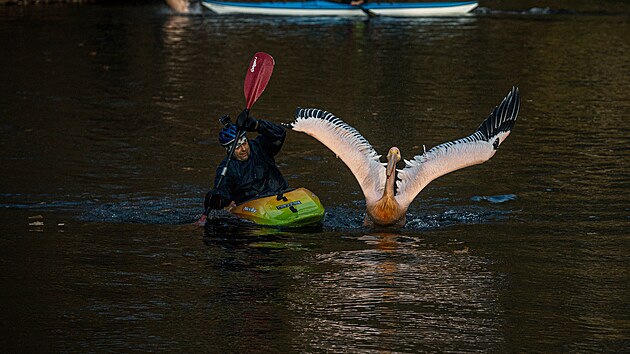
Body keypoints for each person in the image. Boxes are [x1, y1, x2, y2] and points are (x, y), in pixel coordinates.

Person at [203, 109, 289, 213]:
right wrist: (218, 200)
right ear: (228, 150)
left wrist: (257, 125)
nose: (244, 149)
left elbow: (280, 133)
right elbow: (223, 191)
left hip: (281, 195)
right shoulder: (226, 169)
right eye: (238, 146)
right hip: (255, 207)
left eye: (244, 143)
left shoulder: (260, 147)